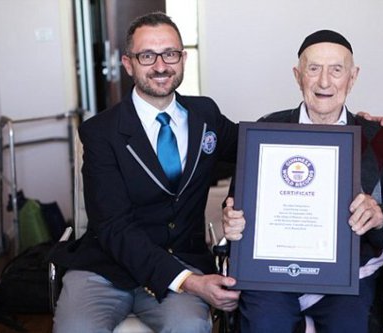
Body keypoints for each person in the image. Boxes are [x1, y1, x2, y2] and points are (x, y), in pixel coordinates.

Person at [222, 29, 383, 333]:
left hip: (350, 277)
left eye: (336, 70)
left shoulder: (380, 140)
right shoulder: (266, 131)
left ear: (353, 77)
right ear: (298, 75)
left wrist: (382, 216)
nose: (324, 82)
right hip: (273, 277)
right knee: (265, 324)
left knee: (351, 325)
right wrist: (232, 219)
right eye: (313, 69)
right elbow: (236, 203)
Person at [50, 12, 241, 333]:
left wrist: (352, 127)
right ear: (128, 64)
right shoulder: (101, 132)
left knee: (191, 327)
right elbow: (113, 226)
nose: (161, 66)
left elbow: (258, 146)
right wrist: (192, 283)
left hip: (182, 256)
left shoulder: (205, 113)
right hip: (106, 267)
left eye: (170, 54)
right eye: (147, 56)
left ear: (182, 58)